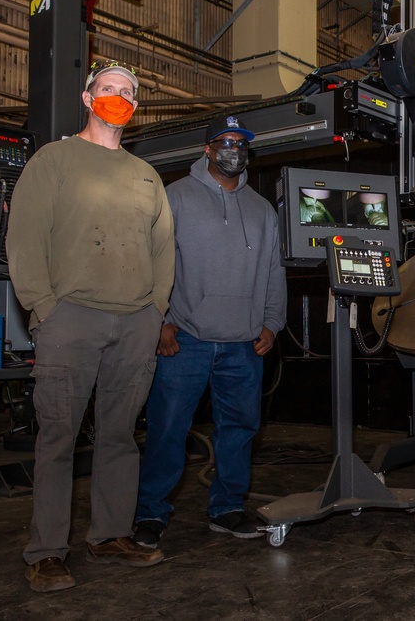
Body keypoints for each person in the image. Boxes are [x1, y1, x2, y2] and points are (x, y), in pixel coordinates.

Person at [7, 60, 175, 592]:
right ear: (87, 97)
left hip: (135, 324)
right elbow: (26, 238)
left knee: (121, 436)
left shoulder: (146, 176)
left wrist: (155, 310)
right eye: (108, 88)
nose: (117, 97)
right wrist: (44, 307)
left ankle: (109, 535)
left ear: (135, 108)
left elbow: (164, 248)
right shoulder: (53, 160)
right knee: (57, 438)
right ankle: (47, 552)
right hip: (69, 319)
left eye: (127, 91)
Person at [132, 114, 287, 548]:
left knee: (239, 430)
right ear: (207, 149)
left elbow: (275, 271)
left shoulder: (261, 210)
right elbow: (152, 262)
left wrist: (273, 322)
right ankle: (150, 514)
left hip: (244, 344)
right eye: (224, 141)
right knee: (167, 429)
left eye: (240, 142)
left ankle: (227, 507)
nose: (233, 149)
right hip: (186, 340)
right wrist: (160, 320)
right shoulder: (175, 197)